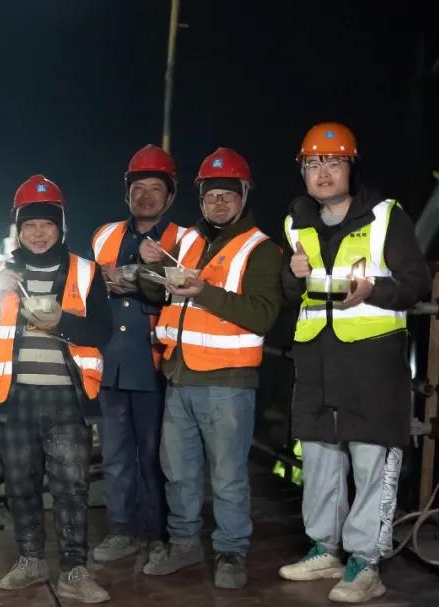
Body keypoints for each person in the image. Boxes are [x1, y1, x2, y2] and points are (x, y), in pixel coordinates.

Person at [277, 123, 431, 603]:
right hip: (316, 364)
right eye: (313, 163)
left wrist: (372, 290)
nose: (323, 172)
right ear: (303, 171)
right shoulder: (296, 221)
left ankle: (366, 562)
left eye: (334, 161)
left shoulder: (386, 216)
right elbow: (291, 293)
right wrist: (291, 274)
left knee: (371, 460)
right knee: (319, 457)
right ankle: (324, 549)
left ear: (352, 168)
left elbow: (416, 282)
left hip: (372, 365)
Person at [138, 148, 283, 589]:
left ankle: (231, 552)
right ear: (200, 200)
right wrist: (151, 265)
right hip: (179, 375)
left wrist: (202, 290)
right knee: (178, 471)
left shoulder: (261, 249)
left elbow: (262, 315)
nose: (218, 203)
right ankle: (183, 544)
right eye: (210, 196)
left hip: (227, 382)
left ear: (244, 197)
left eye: (227, 195)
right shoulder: (189, 241)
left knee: (228, 475)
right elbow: (158, 293)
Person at [0, 175, 111, 603]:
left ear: (61, 227)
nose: (38, 233)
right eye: (29, 224)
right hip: (13, 398)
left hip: (67, 399)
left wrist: (62, 324)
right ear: (18, 229)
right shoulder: (0, 273)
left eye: (47, 224)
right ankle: (31, 561)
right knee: (20, 483)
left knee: (72, 487)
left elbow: (102, 331)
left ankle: (74, 570)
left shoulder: (85, 272)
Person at [89, 145, 184, 563]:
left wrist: (136, 278)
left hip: (155, 362)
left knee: (155, 455)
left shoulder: (183, 239)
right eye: (138, 188)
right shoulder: (104, 235)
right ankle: (120, 530)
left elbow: (179, 289)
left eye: (155, 188)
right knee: (114, 456)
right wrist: (115, 280)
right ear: (127, 193)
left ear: (170, 196)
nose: (145, 196)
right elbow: (92, 287)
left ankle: (156, 533)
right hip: (111, 361)